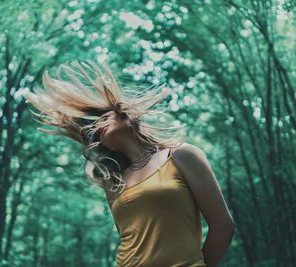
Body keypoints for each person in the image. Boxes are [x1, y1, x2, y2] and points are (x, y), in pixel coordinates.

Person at [24, 60, 234, 267]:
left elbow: (223, 226)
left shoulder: (181, 155)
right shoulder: (114, 182)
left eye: (105, 117)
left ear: (127, 115)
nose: (100, 126)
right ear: (105, 145)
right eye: (95, 130)